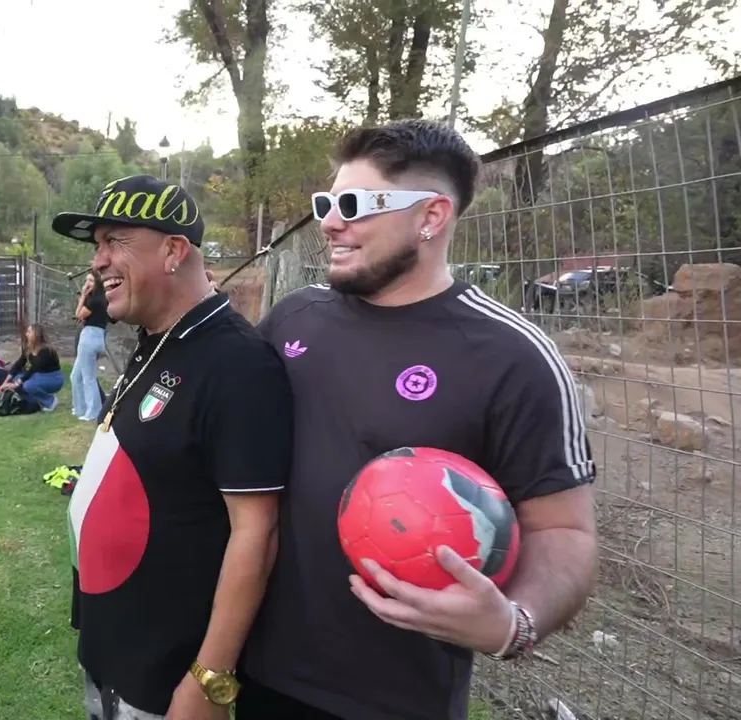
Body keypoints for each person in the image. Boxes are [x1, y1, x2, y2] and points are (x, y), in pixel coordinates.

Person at [236, 119, 598, 720]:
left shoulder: (513, 357)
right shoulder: (294, 319)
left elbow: (565, 531)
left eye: (353, 205)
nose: (330, 222)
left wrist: (515, 624)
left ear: (431, 216)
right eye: (326, 204)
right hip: (261, 670)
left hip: (394, 701)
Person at [51, 175, 294, 720]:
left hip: (166, 680)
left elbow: (257, 533)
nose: (98, 260)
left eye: (114, 241)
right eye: (97, 246)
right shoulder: (157, 340)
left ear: (173, 251)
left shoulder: (238, 365)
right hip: (113, 655)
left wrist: (208, 680)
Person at [70, 270, 110, 422]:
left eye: (91, 281)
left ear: (97, 283)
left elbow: (78, 315)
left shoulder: (95, 300)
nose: (87, 284)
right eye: (86, 280)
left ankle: (93, 412)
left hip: (90, 337)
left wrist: (82, 297)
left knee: (88, 378)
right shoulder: (100, 299)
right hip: (96, 336)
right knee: (76, 376)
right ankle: (80, 408)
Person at [0, 323, 63, 412]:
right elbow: (18, 364)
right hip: (39, 376)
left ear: (36, 334)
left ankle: (50, 401)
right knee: (17, 378)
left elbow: (33, 369)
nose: (26, 334)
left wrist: (16, 384)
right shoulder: (29, 348)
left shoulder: (46, 351)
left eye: (29, 332)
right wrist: (6, 382)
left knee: (28, 385)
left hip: (53, 378)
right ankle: (35, 402)